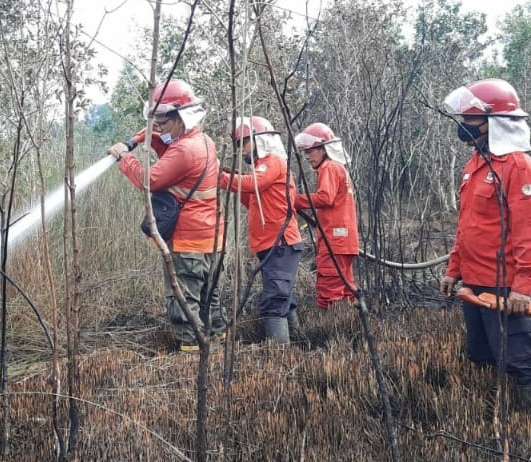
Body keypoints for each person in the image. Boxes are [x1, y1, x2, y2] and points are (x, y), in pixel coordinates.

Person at [439, 78, 531, 417]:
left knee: (519, 358)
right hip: (473, 280)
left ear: (495, 123)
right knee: (481, 354)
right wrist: (453, 270)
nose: (465, 127)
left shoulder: (518, 166)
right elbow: (468, 225)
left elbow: (528, 233)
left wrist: (523, 288)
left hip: (503, 284)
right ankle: (493, 418)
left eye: (471, 120)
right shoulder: (475, 163)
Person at [108, 79, 227, 352]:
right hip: (212, 239)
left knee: (184, 301)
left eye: (163, 121)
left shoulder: (184, 151)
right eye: (156, 122)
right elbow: (166, 147)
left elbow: (147, 180)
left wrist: (124, 157)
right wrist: (143, 137)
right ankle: (219, 349)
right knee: (210, 299)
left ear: (180, 117)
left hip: (189, 244)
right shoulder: (202, 141)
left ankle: (191, 356)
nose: (159, 127)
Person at [218, 116, 304, 344]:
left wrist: (220, 178)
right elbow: (251, 197)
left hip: (281, 244)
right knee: (281, 294)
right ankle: (298, 343)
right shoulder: (260, 167)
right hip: (272, 245)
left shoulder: (272, 161)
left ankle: (279, 358)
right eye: (240, 144)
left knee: (275, 298)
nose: (242, 148)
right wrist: (231, 177)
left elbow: (252, 184)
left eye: (244, 142)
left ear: (260, 140)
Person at [292, 123, 360, 310]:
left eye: (311, 151)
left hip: (335, 241)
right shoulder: (338, 167)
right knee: (346, 288)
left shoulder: (329, 167)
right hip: (344, 241)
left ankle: (331, 332)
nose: (307, 156)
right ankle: (350, 327)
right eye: (305, 152)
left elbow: (325, 197)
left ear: (324, 148)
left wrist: (295, 200)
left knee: (329, 290)